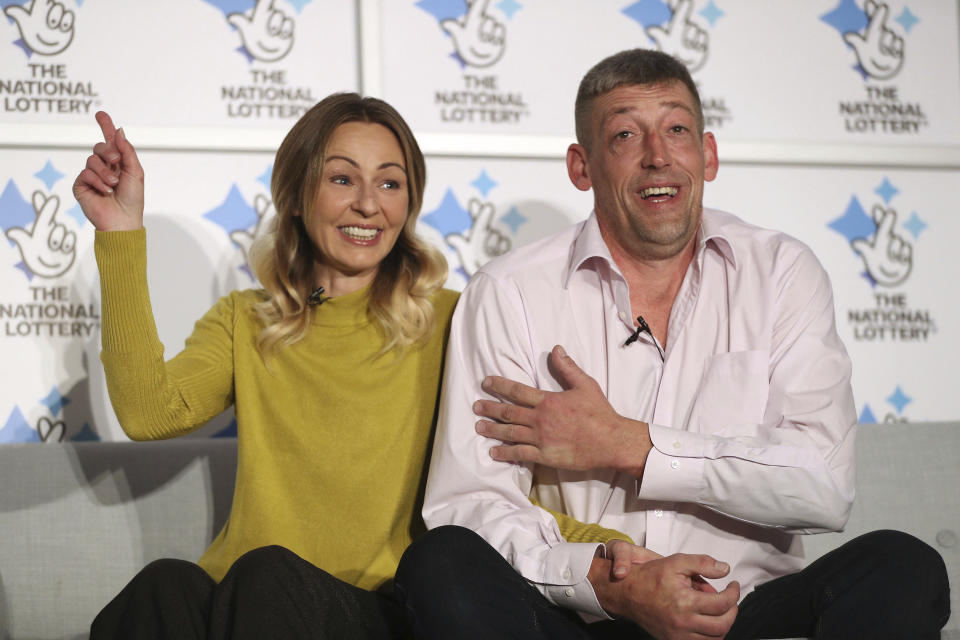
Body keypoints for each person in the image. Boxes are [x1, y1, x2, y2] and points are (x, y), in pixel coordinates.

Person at [395, 49, 950, 639]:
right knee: (443, 561)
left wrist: (633, 446)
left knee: (902, 565)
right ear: (581, 167)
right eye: (626, 134)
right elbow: (473, 506)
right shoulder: (510, 292)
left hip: (745, 611)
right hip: (584, 612)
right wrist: (613, 584)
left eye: (677, 130)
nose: (658, 156)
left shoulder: (783, 271)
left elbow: (824, 485)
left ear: (706, 155)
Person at [72, 93, 459, 639]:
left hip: (374, 610)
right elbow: (147, 413)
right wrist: (119, 232)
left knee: (268, 575)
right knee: (163, 588)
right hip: (247, 603)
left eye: (390, 183)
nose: (369, 205)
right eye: (343, 180)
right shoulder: (248, 320)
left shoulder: (450, 320)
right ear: (298, 196)